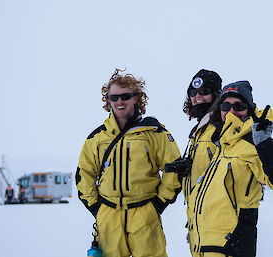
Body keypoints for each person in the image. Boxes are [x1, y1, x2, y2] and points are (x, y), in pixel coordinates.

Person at [75, 68, 182, 257]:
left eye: (125, 96)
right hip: (108, 216)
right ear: (107, 101)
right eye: (114, 97)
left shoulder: (155, 132)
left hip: (145, 214)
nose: (119, 102)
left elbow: (173, 168)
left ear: (137, 98)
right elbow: (84, 173)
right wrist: (97, 209)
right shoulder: (97, 138)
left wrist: (158, 204)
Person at [189, 81, 273, 257]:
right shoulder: (222, 146)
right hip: (204, 246)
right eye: (226, 105)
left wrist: (265, 145)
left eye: (239, 106)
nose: (232, 111)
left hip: (229, 247)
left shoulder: (252, 145)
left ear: (248, 109)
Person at [165, 69, 222, 255]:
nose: (197, 97)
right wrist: (186, 171)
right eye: (192, 93)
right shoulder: (199, 131)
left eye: (204, 91)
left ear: (217, 94)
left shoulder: (222, 127)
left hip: (220, 228)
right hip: (199, 225)